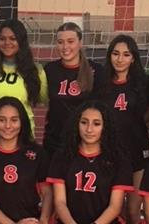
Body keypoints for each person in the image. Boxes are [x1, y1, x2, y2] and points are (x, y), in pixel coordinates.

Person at [99, 35, 149, 224]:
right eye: (115, 53)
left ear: (133, 58)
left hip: (137, 154)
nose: (120, 59)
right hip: (110, 156)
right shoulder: (101, 84)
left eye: (126, 54)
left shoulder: (143, 84)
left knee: (132, 211)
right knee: (112, 211)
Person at [0, 19, 48, 144]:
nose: (7, 43)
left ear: (21, 41)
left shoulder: (35, 71)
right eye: (2, 39)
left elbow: (45, 100)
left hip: (22, 136)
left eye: (13, 38)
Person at [42, 22, 104, 156]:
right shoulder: (50, 70)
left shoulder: (97, 71)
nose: (65, 47)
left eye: (70, 41)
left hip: (84, 143)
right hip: (55, 142)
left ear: (80, 43)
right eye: (60, 42)